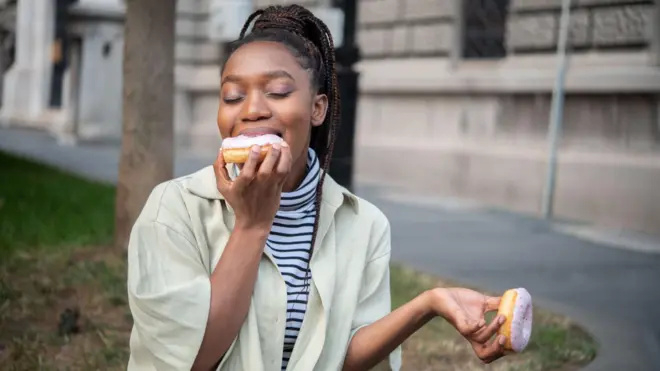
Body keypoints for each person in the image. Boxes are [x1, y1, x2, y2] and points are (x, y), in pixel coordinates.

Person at [126, 4, 508, 371]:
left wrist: (429, 304)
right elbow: (190, 359)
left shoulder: (363, 224)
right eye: (232, 96)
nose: (252, 109)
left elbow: (337, 357)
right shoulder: (173, 209)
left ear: (318, 108)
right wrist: (253, 224)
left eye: (277, 91)